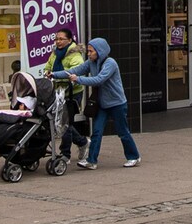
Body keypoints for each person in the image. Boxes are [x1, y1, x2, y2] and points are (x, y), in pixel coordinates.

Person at [54, 37, 140, 169]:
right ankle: (91, 161)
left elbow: (99, 80)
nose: (88, 54)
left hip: (116, 103)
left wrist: (78, 79)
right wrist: (54, 74)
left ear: (100, 51)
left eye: (91, 51)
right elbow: (74, 71)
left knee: (122, 132)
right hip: (102, 104)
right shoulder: (91, 62)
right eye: (88, 51)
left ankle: (134, 156)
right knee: (97, 132)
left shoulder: (110, 63)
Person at [44, 28, 90, 159]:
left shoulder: (75, 55)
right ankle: (82, 142)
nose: (58, 41)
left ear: (69, 40)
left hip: (72, 93)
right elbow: (48, 66)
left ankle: (65, 154)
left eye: (61, 39)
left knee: (65, 122)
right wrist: (47, 72)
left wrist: (55, 75)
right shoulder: (55, 53)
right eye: (56, 39)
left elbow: (74, 72)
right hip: (57, 92)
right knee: (60, 122)